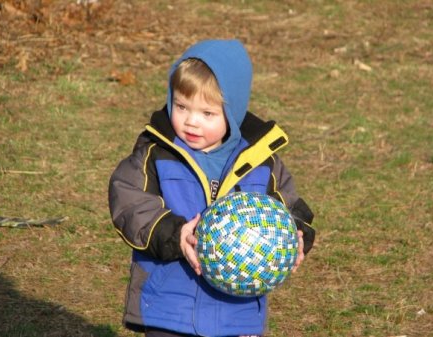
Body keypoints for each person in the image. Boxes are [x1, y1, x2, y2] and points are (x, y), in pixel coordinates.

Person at [108, 39, 315, 337]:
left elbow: (291, 206)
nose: (191, 121)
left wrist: (296, 235)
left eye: (207, 113)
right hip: (169, 308)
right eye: (181, 106)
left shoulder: (260, 161)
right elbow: (128, 201)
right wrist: (174, 234)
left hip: (239, 313)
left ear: (233, 112)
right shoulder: (158, 153)